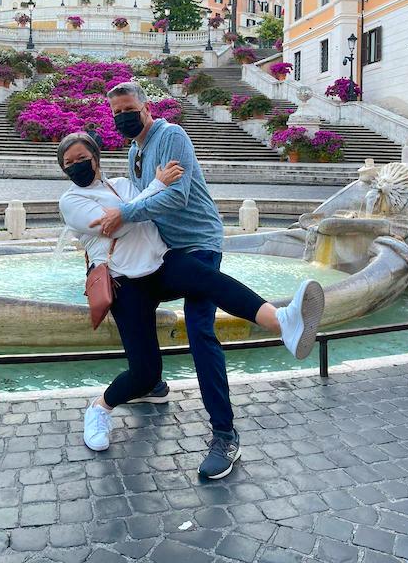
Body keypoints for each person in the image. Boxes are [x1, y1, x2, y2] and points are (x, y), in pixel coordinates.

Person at [58, 131, 325, 479]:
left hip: (160, 266)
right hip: (125, 284)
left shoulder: (121, 185)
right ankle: (100, 406)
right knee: (144, 373)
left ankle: (283, 321)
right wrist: (152, 188)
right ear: (63, 170)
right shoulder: (71, 201)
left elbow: (141, 215)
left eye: (83, 158)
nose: (78, 166)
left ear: (96, 156)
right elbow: (116, 229)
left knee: (209, 280)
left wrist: (133, 208)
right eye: (69, 164)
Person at [90, 80, 294, 478]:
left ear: (146, 107)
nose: (123, 118)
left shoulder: (171, 136)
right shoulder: (135, 152)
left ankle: (225, 435)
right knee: (134, 303)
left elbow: (175, 196)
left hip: (199, 243)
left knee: (200, 331)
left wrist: (125, 213)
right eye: (115, 114)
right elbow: (144, 199)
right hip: (164, 254)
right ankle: (149, 382)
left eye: (128, 109)